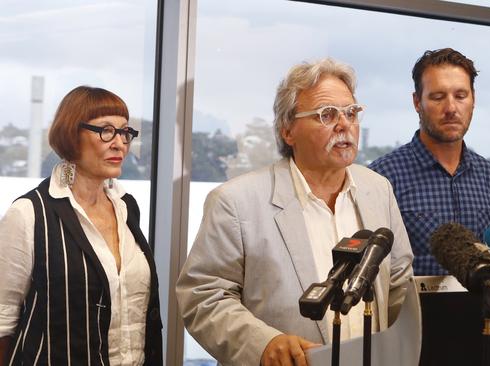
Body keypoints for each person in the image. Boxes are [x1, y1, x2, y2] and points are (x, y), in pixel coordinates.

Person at [176, 58, 414, 366]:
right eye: (327, 115)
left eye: (351, 112)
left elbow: (398, 283)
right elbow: (203, 296)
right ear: (288, 130)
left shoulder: (377, 189)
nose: (345, 124)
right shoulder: (235, 201)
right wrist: (264, 344)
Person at [0, 86, 162, 365]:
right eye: (106, 130)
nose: (119, 143)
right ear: (71, 135)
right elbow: (3, 321)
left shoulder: (127, 207)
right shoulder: (29, 214)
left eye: (125, 132)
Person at [369, 48, 490, 276]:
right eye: (438, 97)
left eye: (460, 96)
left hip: (482, 310)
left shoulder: (489, 177)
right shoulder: (383, 178)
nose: (451, 108)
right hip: (411, 311)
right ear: (417, 102)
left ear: (473, 100)